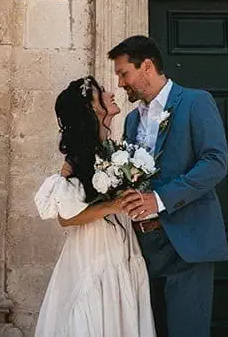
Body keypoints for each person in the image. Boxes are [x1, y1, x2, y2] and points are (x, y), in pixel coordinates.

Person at [110, 35, 228, 337]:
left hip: (187, 244)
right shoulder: (131, 122)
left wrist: (159, 199)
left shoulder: (195, 101)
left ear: (146, 66)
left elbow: (215, 162)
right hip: (142, 249)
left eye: (124, 73)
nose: (121, 83)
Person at [34, 76, 156, 337]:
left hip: (120, 243)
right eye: (101, 92)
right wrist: (114, 205)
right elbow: (66, 218)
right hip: (94, 248)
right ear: (93, 109)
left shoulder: (112, 150)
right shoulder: (80, 156)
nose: (111, 93)